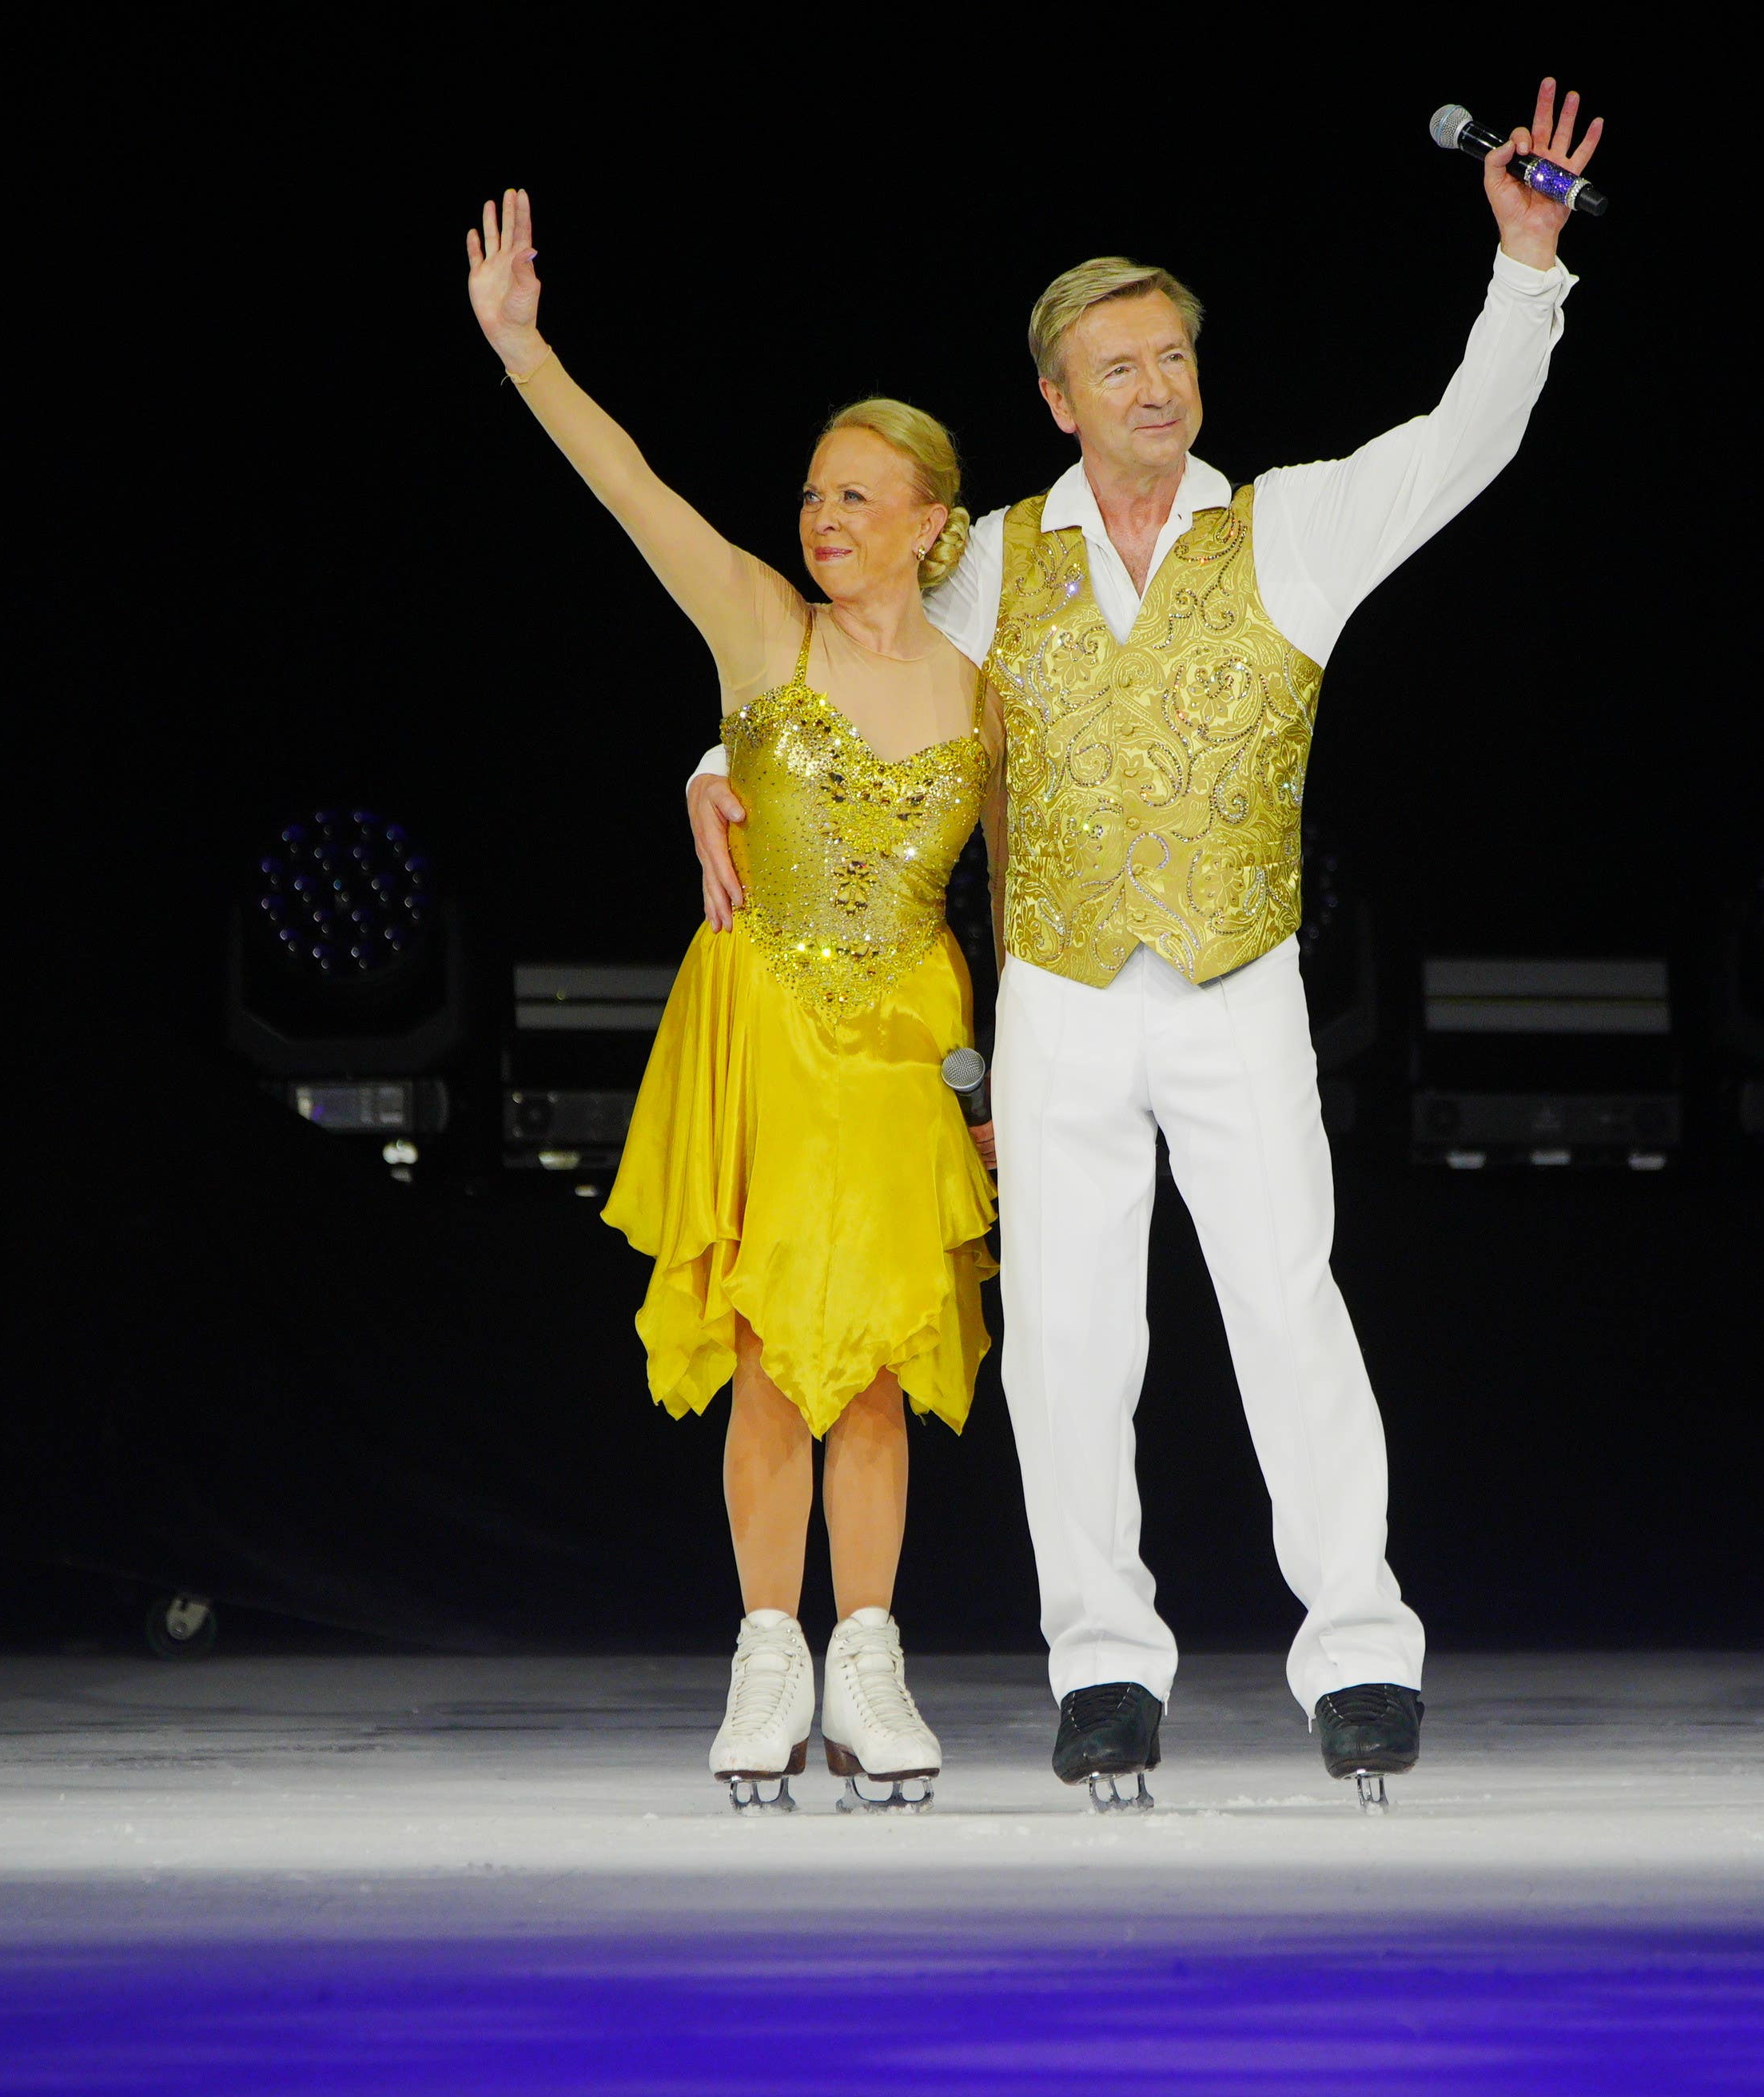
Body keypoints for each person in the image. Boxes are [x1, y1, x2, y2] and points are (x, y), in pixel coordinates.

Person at [685, 82, 1605, 1807]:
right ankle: (1103, 1665)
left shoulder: (1287, 531)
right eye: (1118, 367)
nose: (1156, 386)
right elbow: (834, 669)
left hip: (1238, 984)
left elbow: (1461, 445)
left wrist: (1525, 268)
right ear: (1057, 399)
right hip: (1058, 995)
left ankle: (1360, 1652)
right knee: (1068, 1339)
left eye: (1173, 358)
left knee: (1287, 1306)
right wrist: (703, 772)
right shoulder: (989, 567)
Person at [464, 188, 999, 1812]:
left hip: (908, 1037)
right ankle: (768, 1652)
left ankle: (871, 1660)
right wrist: (524, 350)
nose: (823, 514)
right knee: (773, 1348)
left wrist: (999, 1084)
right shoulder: (766, 629)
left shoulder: (989, 698)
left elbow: (1022, 905)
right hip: (766, 1022)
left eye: (858, 494)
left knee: (882, 1355)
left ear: (931, 521)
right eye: (814, 490)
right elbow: (632, 487)